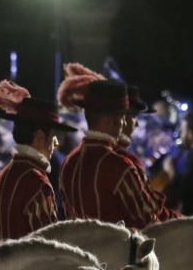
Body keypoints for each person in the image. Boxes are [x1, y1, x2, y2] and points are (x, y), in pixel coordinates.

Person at [56, 64, 178, 227]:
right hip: (116, 252)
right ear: (114, 120)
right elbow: (149, 221)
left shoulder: (69, 162)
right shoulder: (120, 165)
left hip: (79, 251)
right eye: (124, 116)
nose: (131, 124)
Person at [0, 79, 75, 242]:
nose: (56, 143)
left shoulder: (2, 177)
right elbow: (48, 244)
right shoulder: (37, 182)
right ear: (39, 137)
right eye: (53, 137)